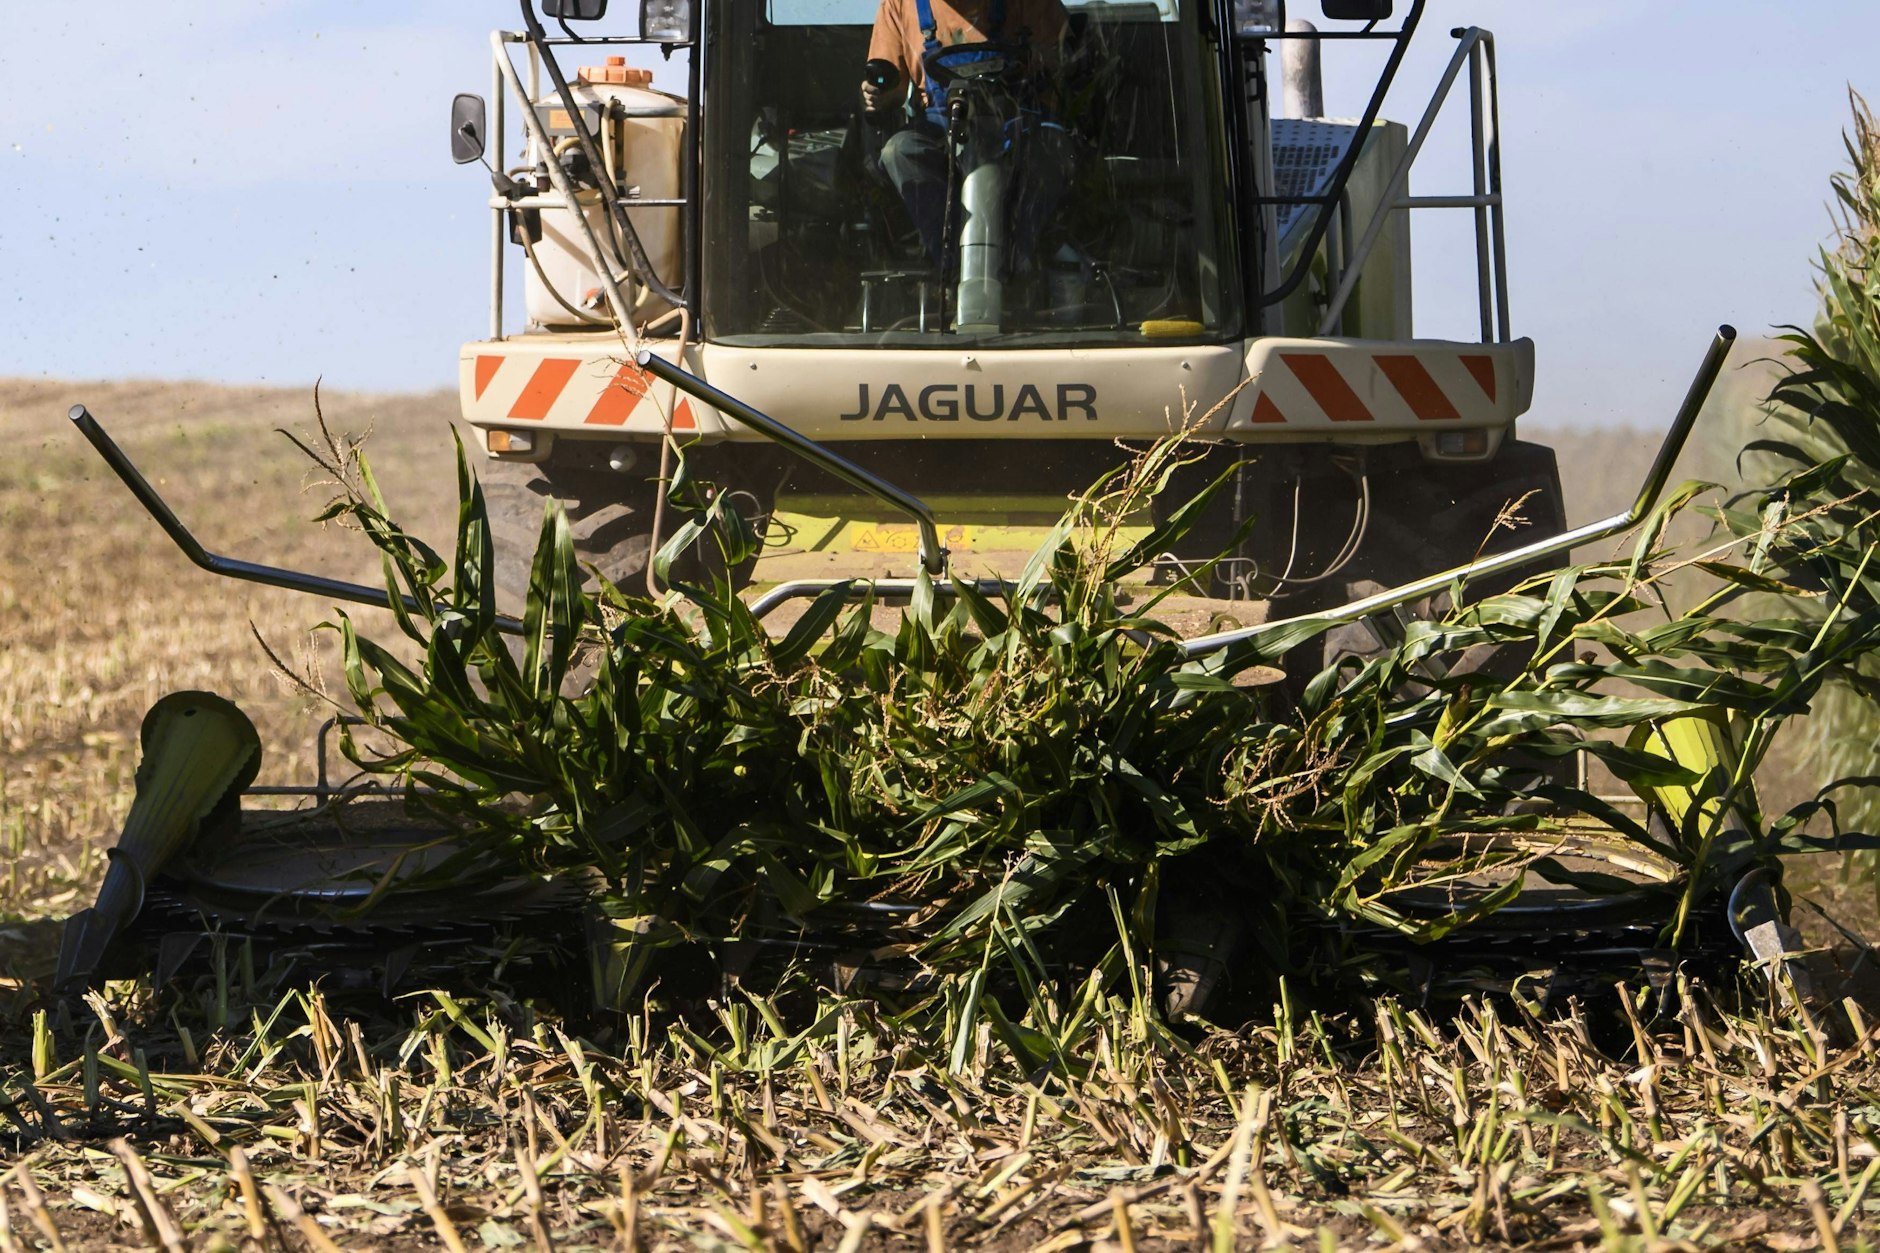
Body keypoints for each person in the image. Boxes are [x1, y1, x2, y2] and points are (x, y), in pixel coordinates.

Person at [861, 0, 1073, 271]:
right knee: (899, 151)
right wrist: (875, 94)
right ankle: (950, 268)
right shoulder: (901, 4)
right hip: (942, 122)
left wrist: (1036, 57)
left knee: (1053, 149)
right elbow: (891, 86)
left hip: (1014, 117)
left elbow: (1063, 61)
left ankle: (1019, 264)